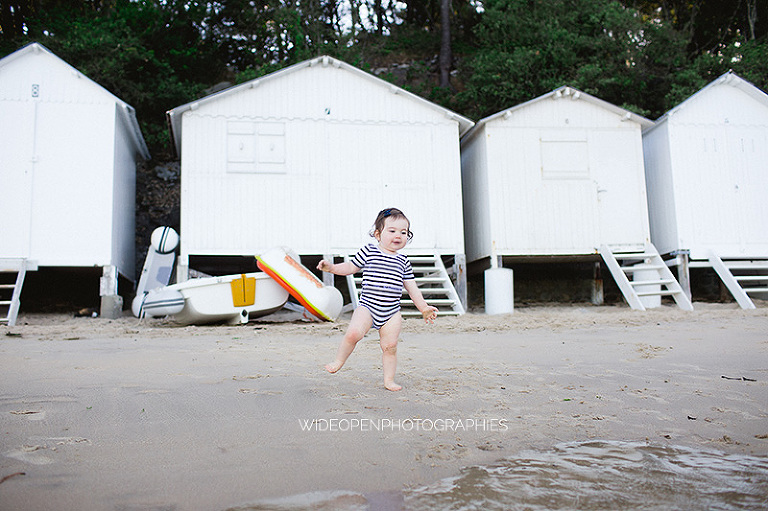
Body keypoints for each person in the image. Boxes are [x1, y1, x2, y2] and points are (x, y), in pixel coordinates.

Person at [317, 208, 438, 391]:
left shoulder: (403, 261)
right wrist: (332, 268)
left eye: (403, 232)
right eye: (392, 231)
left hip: (391, 312)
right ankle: (338, 361)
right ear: (377, 234)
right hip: (368, 307)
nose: (398, 235)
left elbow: (412, 287)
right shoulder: (369, 251)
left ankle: (389, 380)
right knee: (353, 334)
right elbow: (350, 267)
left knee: (390, 346)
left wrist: (424, 308)